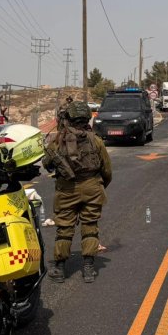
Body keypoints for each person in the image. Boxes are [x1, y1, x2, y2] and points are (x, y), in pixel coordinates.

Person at [42, 98, 112, 283]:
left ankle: (59, 268)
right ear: (87, 118)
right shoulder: (96, 141)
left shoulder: (58, 141)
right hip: (92, 188)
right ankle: (88, 268)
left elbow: (46, 163)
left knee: (64, 228)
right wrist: (98, 186)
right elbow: (107, 170)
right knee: (90, 227)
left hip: (66, 190)